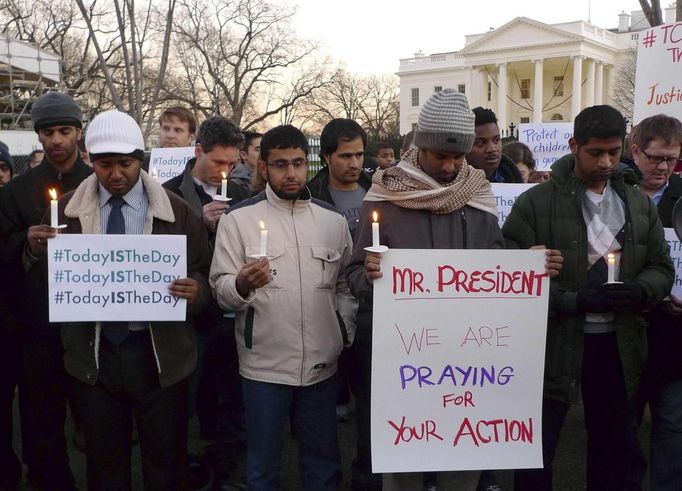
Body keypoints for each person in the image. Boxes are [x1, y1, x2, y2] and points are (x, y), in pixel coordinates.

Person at [345, 88, 561, 491]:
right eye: (440, 155)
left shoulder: (476, 194)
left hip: (468, 358)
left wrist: (527, 266)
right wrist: (370, 273)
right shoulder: (388, 195)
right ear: (420, 147)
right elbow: (354, 275)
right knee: (404, 464)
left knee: (461, 461)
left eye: (457, 156)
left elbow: (495, 265)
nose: (449, 166)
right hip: (404, 360)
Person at [503, 105, 674, 490]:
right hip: (553, 344)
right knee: (537, 451)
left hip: (618, 345)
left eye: (614, 152)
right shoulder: (535, 202)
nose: (606, 162)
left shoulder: (636, 202)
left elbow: (662, 267)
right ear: (573, 145)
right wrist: (573, 301)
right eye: (595, 152)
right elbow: (509, 278)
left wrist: (639, 290)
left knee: (611, 449)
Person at [39, 110, 211, 489]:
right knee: (104, 463)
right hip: (94, 357)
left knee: (166, 461)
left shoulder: (178, 211)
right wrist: (36, 252)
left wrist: (196, 291)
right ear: (90, 160)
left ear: (140, 160)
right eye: (104, 165)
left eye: (125, 164)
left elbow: (204, 273)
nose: (115, 174)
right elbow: (44, 282)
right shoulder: (65, 213)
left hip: (161, 357)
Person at [209, 124, 357, 490]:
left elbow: (344, 285)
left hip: (322, 367)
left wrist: (343, 331)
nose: (290, 173)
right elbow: (219, 288)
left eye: (296, 164)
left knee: (323, 465)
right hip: (264, 369)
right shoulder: (237, 220)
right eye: (279, 165)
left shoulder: (332, 221)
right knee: (262, 468)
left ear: (307, 164)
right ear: (263, 168)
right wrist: (241, 284)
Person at [0, 91, 92, 490]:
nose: (56, 140)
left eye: (64, 131)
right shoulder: (16, 191)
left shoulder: (97, 185)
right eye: (48, 132)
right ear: (38, 136)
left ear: (78, 133)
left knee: (97, 419)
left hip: (91, 326)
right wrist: (27, 244)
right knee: (42, 419)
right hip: (37, 328)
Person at [163, 116, 247, 484]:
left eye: (233, 163)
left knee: (233, 401)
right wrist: (200, 222)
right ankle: (182, 471)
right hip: (189, 318)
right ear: (198, 151)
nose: (225, 171)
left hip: (234, 316)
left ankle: (226, 469)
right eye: (218, 162)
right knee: (181, 402)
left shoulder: (245, 197)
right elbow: (156, 257)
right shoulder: (166, 193)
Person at [630, 114, 682, 491]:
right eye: (655, 157)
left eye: (672, 159)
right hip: (625, 329)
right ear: (635, 152)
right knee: (623, 427)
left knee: (671, 425)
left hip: (673, 333)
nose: (663, 167)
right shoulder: (612, 194)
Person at [308, 118, 372, 237]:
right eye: (345, 156)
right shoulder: (309, 198)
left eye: (359, 155)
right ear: (327, 156)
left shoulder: (377, 191)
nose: (354, 164)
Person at [467, 107, 523, 183]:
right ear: (465, 147)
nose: (492, 149)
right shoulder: (451, 187)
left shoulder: (515, 180)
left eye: (496, 140)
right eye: (481, 143)